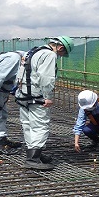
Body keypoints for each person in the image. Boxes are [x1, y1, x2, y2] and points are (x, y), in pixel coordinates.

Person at [14, 36, 74, 171]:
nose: (60, 56)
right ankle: (33, 159)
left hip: (23, 94)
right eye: (62, 54)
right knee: (40, 127)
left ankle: (35, 154)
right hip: (37, 96)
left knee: (28, 125)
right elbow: (46, 78)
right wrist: (47, 97)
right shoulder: (49, 55)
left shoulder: (33, 51)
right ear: (60, 47)